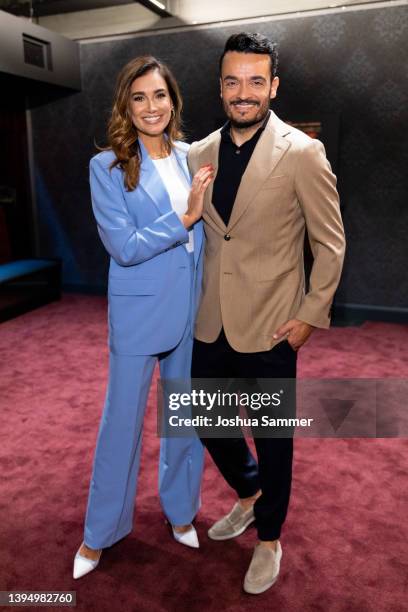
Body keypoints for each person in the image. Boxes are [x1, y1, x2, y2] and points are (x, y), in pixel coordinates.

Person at [188, 32, 346, 594]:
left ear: (273, 86)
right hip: (212, 319)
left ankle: (270, 537)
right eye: (233, 81)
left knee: (275, 436)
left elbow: (330, 244)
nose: (244, 92)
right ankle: (249, 493)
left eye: (257, 81)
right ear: (220, 87)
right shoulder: (199, 151)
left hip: (276, 324)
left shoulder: (302, 152)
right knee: (206, 419)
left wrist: (309, 316)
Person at [73, 56, 214, 579]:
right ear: (126, 107)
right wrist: (183, 219)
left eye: (159, 95)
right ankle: (99, 535)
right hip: (137, 315)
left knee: (185, 424)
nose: (150, 107)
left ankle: (180, 512)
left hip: (191, 312)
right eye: (139, 98)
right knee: (121, 428)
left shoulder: (190, 156)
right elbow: (125, 247)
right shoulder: (106, 167)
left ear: (173, 100)